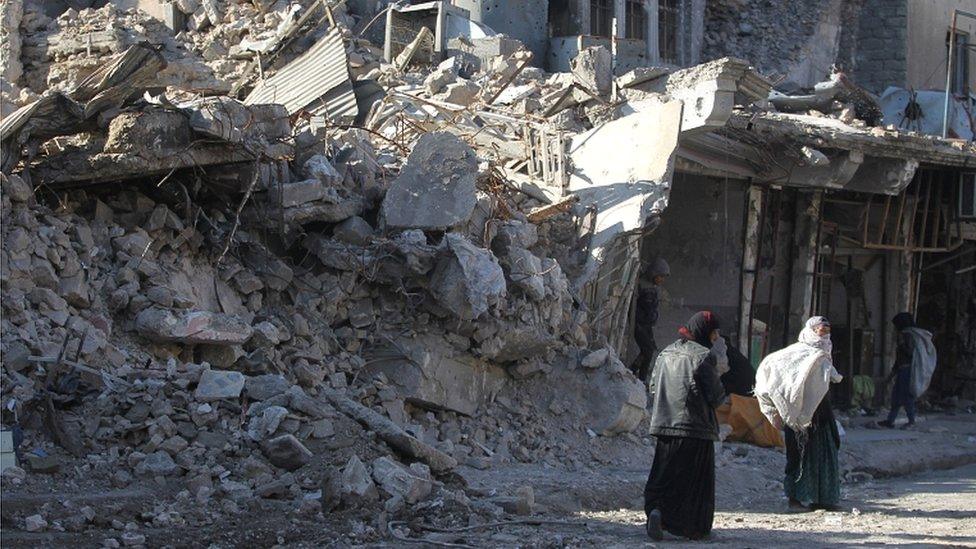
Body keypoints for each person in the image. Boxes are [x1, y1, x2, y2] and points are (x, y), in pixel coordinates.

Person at [644, 311, 725, 541]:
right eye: (714, 332)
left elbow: (652, 386)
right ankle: (694, 527)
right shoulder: (704, 357)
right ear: (704, 332)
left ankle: (657, 511)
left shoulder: (665, 352)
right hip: (695, 428)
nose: (716, 337)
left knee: (664, 474)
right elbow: (715, 397)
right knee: (694, 482)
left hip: (664, 425)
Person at [780, 317, 842, 511]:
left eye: (826, 331)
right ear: (811, 330)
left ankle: (822, 499)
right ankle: (794, 499)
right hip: (800, 412)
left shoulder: (824, 353)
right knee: (799, 454)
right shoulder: (796, 353)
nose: (823, 334)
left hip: (822, 411)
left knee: (824, 453)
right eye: (820, 331)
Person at [879, 312, 936, 429]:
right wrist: (891, 375)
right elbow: (899, 360)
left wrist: (901, 344)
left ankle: (911, 421)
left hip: (907, 371)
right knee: (896, 396)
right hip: (902, 371)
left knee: (907, 397)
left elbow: (910, 354)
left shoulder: (908, 335)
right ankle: (890, 421)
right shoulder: (906, 335)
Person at [631, 258, 669, 382]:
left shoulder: (649, 286)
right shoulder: (645, 287)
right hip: (639, 324)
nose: (662, 280)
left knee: (649, 349)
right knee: (648, 350)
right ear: (654, 274)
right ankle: (639, 377)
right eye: (660, 276)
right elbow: (647, 308)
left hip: (645, 324)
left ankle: (633, 371)